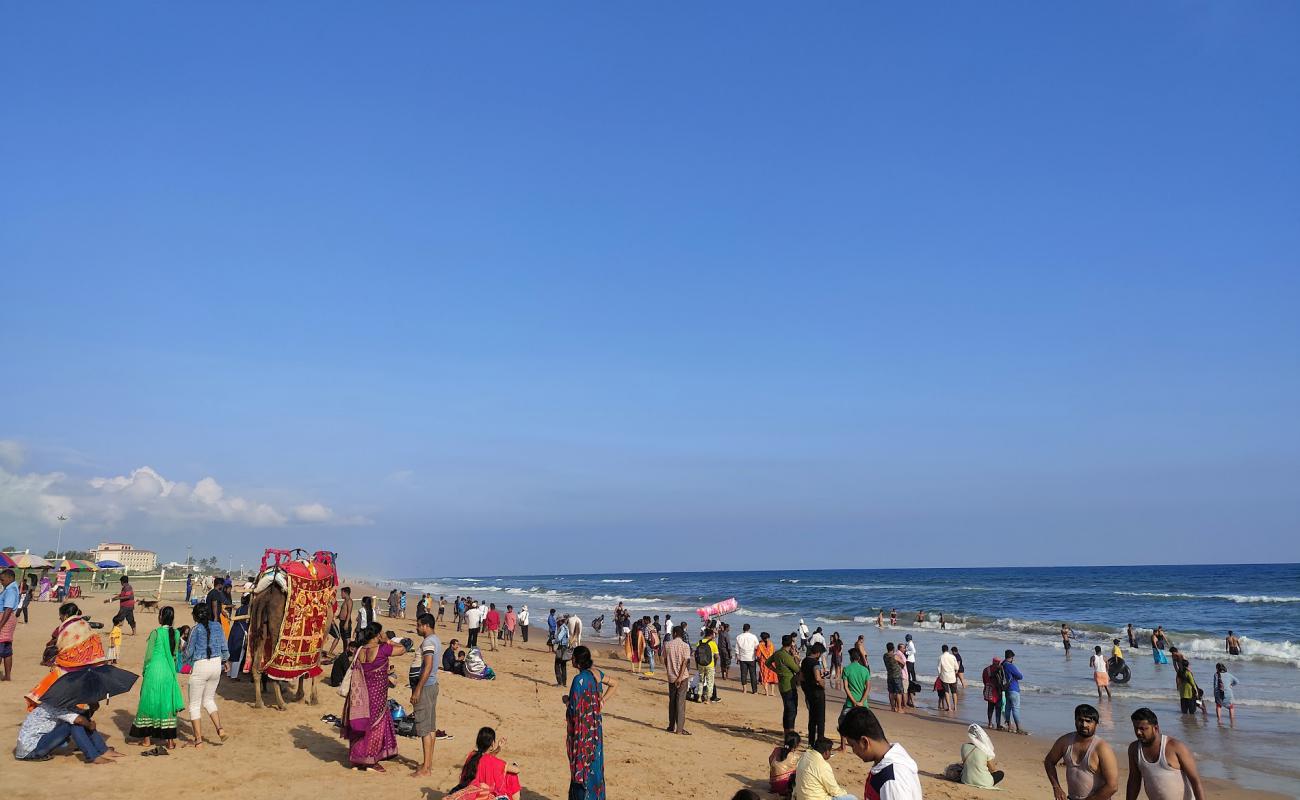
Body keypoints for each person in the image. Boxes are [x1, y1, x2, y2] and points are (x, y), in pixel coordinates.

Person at [341, 622, 411, 771]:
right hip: (376, 694)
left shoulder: (359, 650)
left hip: (360, 694)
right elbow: (403, 649)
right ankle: (370, 761)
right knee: (374, 726)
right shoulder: (382, 649)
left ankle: (357, 760)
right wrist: (390, 641)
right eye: (383, 632)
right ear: (378, 635)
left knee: (359, 724)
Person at [130, 605, 185, 751]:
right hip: (168, 672)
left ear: (161, 617)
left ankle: (147, 740)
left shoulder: (156, 633)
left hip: (154, 671)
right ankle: (170, 742)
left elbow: (148, 656)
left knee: (149, 702)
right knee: (167, 704)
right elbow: (175, 655)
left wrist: (145, 671)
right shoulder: (177, 633)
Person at [838, 707, 922, 800]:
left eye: (853, 745)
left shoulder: (891, 781)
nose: (854, 751)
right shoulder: (883, 760)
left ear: (864, 742)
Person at [565, 646, 614, 800]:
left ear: (577, 661)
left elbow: (574, 709)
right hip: (595, 727)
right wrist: (602, 700)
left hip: (583, 729)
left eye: (573, 657)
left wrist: (566, 701)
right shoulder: (597, 673)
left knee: (581, 763)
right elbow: (615, 683)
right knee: (595, 762)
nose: (571, 660)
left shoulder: (578, 680)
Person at [1126, 707, 1204, 800]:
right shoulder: (1134, 749)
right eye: (1136, 728)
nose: (1138, 732)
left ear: (1156, 728)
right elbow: (1134, 780)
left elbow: (1195, 781)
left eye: (1143, 729)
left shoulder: (1175, 747)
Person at [1044, 704, 1119, 800]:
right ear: (1075, 720)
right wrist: (1056, 787)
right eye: (1080, 720)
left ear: (1096, 724)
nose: (1084, 725)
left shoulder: (1102, 748)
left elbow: (1112, 786)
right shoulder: (1065, 741)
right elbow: (1049, 761)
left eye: (1088, 721)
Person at [182, 602, 229, 747]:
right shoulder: (217, 626)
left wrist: (182, 653)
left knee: (195, 705)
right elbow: (224, 647)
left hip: (201, 666)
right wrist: (225, 660)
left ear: (195, 616)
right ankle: (220, 730)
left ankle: (198, 740)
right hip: (216, 665)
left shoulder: (195, 630)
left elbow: (188, 652)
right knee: (209, 700)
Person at [15, 701, 121, 763]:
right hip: (31, 751)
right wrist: (89, 725)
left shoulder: (54, 702)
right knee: (76, 723)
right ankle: (93, 756)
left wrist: (92, 708)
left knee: (80, 720)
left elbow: (81, 715)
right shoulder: (55, 706)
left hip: (32, 746)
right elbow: (79, 720)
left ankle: (103, 750)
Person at [449, 726, 522, 800]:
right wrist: (515, 765)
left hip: (470, 790)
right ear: (492, 743)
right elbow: (516, 770)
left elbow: (484, 758)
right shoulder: (494, 762)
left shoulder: (471, 755)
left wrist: (498, 748)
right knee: (512, 776)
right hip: (484, 795)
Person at [410, 613, 442, 777]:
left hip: (426, 687)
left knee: (424, 728)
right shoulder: (435, 639)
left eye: (418, 624)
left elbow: (428, 666)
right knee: (430, 727)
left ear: (426, 626)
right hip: (431, 686)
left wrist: (418, 689)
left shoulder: (429, 642)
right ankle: (427, 764)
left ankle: (426, 769)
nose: (417, 627)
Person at [767, 634, 802, 732]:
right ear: (791, 644)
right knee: (792, 710)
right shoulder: (786, 656)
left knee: (787, 709)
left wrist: (776, 670)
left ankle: (787, 730)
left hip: (782, 684)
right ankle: (790, 730)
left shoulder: (777, 653)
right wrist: (795, 657)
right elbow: (797, 669)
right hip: (789, 685)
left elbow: (767, 663)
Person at [840, 648, 870, 752]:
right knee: (864, 725)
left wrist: (853, 701)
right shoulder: (865, 670)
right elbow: (868, 688)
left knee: (842, 722)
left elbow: (846, 687)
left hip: (850, 702)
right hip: (863, 703)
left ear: (850, 658)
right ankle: (865, 746)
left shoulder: (846, 669)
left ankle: (843, 745)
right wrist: (861, 701)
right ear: (859, 658)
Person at [664, 623, 692, 735]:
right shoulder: (685, 646)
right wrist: (680, 677)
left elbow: (665, 660)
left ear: (674, 634)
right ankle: (679, 729)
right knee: (680, 703)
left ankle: (671, 725)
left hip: (671, 676)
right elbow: (685, 662)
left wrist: (669, 670)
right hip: (683, 677)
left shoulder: (667, 645)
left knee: (672, 702)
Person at [960, 723, 1005, 789]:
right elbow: (992, 769)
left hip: (966, 780)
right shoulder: (986, 750)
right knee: (1000, 773)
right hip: (984, 782)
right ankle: (985, 780)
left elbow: (966, 763)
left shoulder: (964, 746)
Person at [801, 642, 828, 748]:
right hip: (817, 692)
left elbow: (802, 677)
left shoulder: (805, 661)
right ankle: (820, 742)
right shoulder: (815, 663)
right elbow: (817, 677)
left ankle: (810, 743)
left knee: (812, 718)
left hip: (809, 691)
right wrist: (822, 683)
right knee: (820, 719)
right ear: (817, 653)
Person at [769, 730, 802, 798]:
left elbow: (770, 760)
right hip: (785, 788)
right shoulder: (795, 757)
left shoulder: (776, 750)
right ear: (796, 745)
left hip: (773, 784)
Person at [0, 568, 18, 680]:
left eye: (2, 580)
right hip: (8, 620)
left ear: (10, 578)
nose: (1, 582)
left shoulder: (10, 591)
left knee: (1, 647)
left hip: (5, 620)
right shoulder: (11, 589)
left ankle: (7, 676)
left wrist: (0, 625)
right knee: (7, 650)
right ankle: (7, 676)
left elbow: (8, 609)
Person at [1002, 650, 1026, 734]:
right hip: (1013, 688)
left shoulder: (1002, 665)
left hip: (1006, 689)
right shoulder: (1010, 666)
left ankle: (1009, 726)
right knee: (1015, 708)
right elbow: (1020, 676)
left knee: (1007, 708)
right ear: (1011, 658)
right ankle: (1018, 728)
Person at [227, 594, 250, 679]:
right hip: (241, 631)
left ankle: (229, 673)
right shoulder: (249, 609)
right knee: (238, 654)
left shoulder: (240, 608)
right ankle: (234, 676)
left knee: (232, 651)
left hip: (234, 630)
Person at [736, 623, 760, 694]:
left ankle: (745, 690)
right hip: (751, 658)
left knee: (743, 674)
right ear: (749, 629)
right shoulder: (753, 636)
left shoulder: (739, 637)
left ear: (743, 629)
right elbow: (757, 647)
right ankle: (754, 691)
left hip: (742, 658)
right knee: (753, 674)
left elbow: (737, 649)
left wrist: (737, 658)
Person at [697, 625, 718, 703]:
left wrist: (697, 664)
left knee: (701, 680)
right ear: (711, 635)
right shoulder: (713, 643)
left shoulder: (699, 642)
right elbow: (716, 656)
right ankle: (708, 699)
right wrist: (714, 664)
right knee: (710, 682)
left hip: (700, 664)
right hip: (710, 665)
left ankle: (699, 697)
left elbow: (697, 655)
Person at [982, 656, 1004, 730]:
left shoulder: (986, 669)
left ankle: (990, 723)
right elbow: (1003, 680)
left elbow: (984, 680)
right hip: (998, 692)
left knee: (990, 708)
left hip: (989, 690)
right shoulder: (1001, 669)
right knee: (998, 708)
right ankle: (998, 724)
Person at [883, 642, 905, 713]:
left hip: (889, 675)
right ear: (893, 648)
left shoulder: (885, 656)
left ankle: (892, 707)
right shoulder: (895, 656)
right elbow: (903, 663)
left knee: (891, 692)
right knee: (898, 692)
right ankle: (899, 708)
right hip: (897, 675)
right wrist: (900, 666)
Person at [937, 645, 959, 710]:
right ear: (948, 650)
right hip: (952, 676)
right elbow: (957, 667)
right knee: (954, 692)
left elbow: (938, 668)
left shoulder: (940, 657)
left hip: (944, 677)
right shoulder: (952, 657)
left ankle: (949, 707)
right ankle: (955, 707)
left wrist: (939, 675)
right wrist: (955, 672)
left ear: (942, 650)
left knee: (946, 692)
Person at [554, 614, 572, 686]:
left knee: (557, 665)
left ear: (560, 621)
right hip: (565, 647)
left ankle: (559, 682)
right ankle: (564, 682)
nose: (557, 623)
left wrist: (553, 641)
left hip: (561, 648)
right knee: (563, 665)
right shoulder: (566, 628)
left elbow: (558, 639)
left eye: (558, 622)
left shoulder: (562, 628)